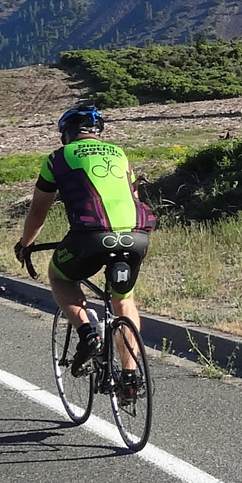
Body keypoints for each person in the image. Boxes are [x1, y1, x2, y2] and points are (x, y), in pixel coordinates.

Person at [14, 102, 155, 392]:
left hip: (91, 236)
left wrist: (25, 244)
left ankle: (89, 334)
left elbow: (38, 211)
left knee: (60, 277)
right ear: (98, 132)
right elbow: (134, 198)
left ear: (67, 133)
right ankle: (130, 378)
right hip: (136, 236)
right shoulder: (120, 155)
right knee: (124, 301)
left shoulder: (58, 158)